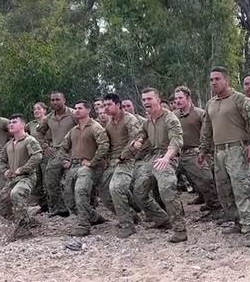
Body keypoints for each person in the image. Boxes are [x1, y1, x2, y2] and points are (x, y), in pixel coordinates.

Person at [199, 67, 250, 247]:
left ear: (226, 80)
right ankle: (237, 222)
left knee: (241, 188)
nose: (214, 82)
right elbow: (207, 129)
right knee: (224, 190)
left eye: (217, 79)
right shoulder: (211, 103)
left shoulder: (240, 100)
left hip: (237, 149)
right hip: (218, 151)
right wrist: (203, 150)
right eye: (211, 79)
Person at [124, 88, 188, 243]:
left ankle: (180, 230)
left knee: (167, 190)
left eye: (149, 99)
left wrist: (166, 157)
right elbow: (141, 133)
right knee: (139, 191)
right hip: (152, 157)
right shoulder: (148, 121)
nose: (146, 102)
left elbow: (177, 141)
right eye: (144, 100)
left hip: (167, 157)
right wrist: (138, 140)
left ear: (158, 100)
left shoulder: (170, 119)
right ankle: (162, 219)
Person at [58, 100, 110, 236]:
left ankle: (83, 226)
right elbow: (63, 147)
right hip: (73, 167)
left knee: (80, 192)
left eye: (80, 108)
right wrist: (65, 160)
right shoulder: (73, 130)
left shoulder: (95, 127)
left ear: (88, 110)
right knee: (68, 197)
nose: (76, 110)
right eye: (75, 108)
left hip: (88, 168)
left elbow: (104, 145)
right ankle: (94, 217)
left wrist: (93, 162)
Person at [173, 86, 222, 216]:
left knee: (206, 180)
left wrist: (205, 152)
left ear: (188, 98)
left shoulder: (200, 113)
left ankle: (216, 209)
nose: (177, 101)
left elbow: (209, 133)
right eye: (176, 98)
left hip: (196, 153)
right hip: (178, 154)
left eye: (180, 98)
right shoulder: (173, 116)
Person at [0, 114, 43, 241]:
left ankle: (23, 230)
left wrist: (23, 169)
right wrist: (5, 171)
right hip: (13, 179)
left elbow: (37, 156)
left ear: (22, 125)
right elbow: (1, 160)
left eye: (14, 122)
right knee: (1, 206)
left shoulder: (29, 140)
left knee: (16, 194)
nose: (11, 124)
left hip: (26, 178)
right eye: (10, 122)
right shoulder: (8, 144)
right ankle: (26, 220)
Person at [104, 93, 143, 238]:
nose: (106, 108)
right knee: (104, 192)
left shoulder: (129, 120)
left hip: (127, 160)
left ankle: (127, 225)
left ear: (118, 105)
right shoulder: (109, 123)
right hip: (113, 162)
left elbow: (136, 139)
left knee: (116, 188)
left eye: (109, 105)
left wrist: (123, 156)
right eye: (104, 105)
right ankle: (131, 214)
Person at [35, 92, 77, 217]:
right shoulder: (48, 118)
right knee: (50, 179)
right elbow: (39, 133)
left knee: (74, 180)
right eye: (52, 100)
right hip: (58, 151)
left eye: (57, 99)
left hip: (74, 151)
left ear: (64, 100)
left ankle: (85, 206)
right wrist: (45, 146)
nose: (54, 102)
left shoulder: (74, 114)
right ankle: (59, 208)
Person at [27, 102, 49, 214]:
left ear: (45, 110)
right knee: (37, 181)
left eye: (39, 109)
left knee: (48, 180)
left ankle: (55, 204)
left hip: (48, 155)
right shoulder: (31, 125)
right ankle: (43, 205)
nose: (36, 111)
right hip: (35, 155)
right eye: (34, 109)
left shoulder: (50, 121)